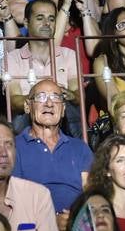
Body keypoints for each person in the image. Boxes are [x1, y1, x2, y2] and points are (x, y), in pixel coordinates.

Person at [13, 78, 95, 213]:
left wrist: (73, 221)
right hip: (32, 225)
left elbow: (92, 195)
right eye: (41, 97)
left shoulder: (80, 148)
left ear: (63, 109)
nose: (49, 103)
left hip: (74, 225)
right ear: (28, 106)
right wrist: (50, 221)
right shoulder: (14, 147)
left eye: (56, 97)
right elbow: (13, 198)